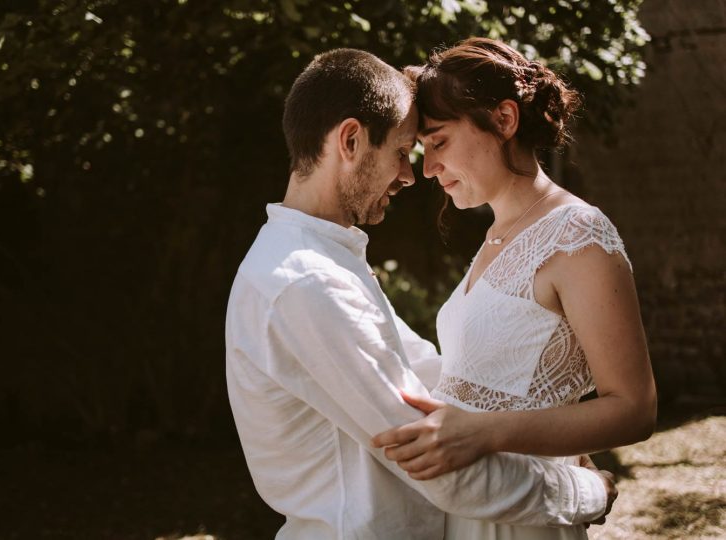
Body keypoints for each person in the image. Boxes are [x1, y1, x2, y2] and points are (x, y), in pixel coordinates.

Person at [226, 48, 617, 540]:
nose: (412, 175)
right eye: (402, 152)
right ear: (350, 140)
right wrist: (588, 492)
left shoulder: (323, 262)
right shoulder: (307, 280)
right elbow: (439, 467)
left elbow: (432, 380)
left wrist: (542, 434)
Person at [371, 38, 657, 540]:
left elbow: (635, 407)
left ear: (504, 120)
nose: (429, 169)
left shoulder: (577, 234)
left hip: (524, 519)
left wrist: (486, 433)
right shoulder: (493, 239)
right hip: (469, 503)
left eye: (438, 141)